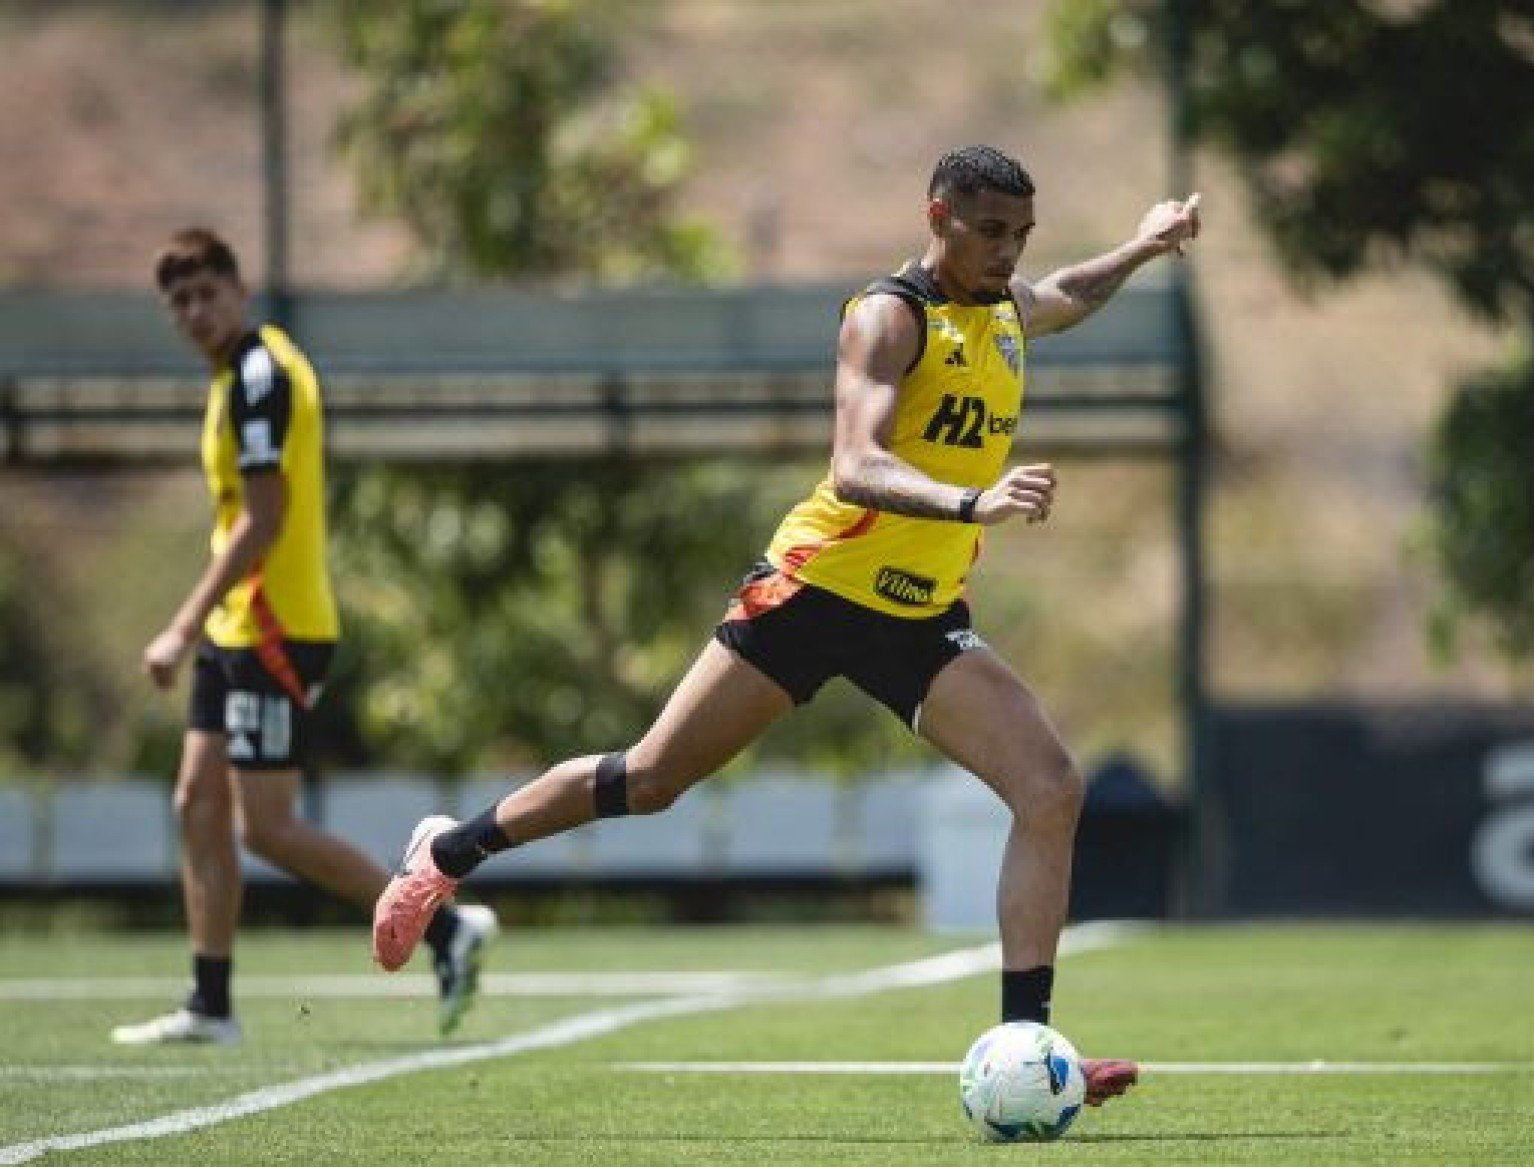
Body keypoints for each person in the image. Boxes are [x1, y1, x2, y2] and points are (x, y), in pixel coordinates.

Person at [372, 146, 1198, 1102]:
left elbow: (1062, 294)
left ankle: (1028, 1052)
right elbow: (856, 464)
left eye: (1019, 234)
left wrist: (1139, 246)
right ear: (938, 217)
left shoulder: (1002, 309)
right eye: (989, 231)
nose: (1008, 252)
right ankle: (447, 852)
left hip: (917, 615)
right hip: (817, 590)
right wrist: (973, 505)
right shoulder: (891, 317)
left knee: (1051, 787)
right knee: (649, 778)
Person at [111, 229, 497, 1046]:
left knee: (268, 827)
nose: (193, 311)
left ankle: (443, 926)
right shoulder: (231, 379)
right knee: (197, 801)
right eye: (178, 301)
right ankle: (210, 1001)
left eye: (206, 292)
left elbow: (264, 520)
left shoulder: (261, 376)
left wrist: (180, 628)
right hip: (238, 628)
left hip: (273, 630)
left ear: (238, 288)